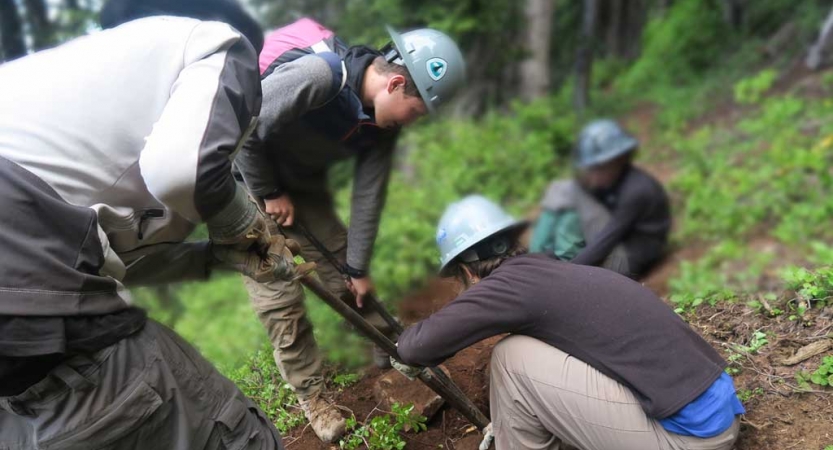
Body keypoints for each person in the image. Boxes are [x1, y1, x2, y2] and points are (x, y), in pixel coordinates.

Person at [0, 16, 296, 449]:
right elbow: (180, 172)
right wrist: (238, 221)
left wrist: (210, 256)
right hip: (73, 366)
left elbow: (80, 270)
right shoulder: (222, 46)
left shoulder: (52, 108)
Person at [232, 18, 466, 442]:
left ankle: (395, 348)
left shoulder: (381, 124)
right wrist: (268, 192)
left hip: (296, 179)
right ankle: (312, 396)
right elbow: (244, 127)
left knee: (341, 264)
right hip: (240, 178)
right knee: (278, 292)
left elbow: (367, 197)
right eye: (417, 113)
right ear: (395, 84)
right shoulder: (319, 75)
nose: (412, 123)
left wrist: (357, 266)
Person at [394, 195, 744, 450]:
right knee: (533, 350)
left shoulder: (509, 286)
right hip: (718, 415)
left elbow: (416, 346)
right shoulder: (555, 271)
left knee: (511, 356)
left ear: (468, 268)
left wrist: (403, 350)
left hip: (690, 438)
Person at [530, 119, 671, 278]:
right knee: (565, 191)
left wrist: (567, 274)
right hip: (620, 249)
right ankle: (537, 261)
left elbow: (604, 242)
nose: (592, 175)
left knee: (566, 190)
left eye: (598, 168)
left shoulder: (636, 191)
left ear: (618, 160)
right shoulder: (620, 179)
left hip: (625, 263)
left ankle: (540, 267)